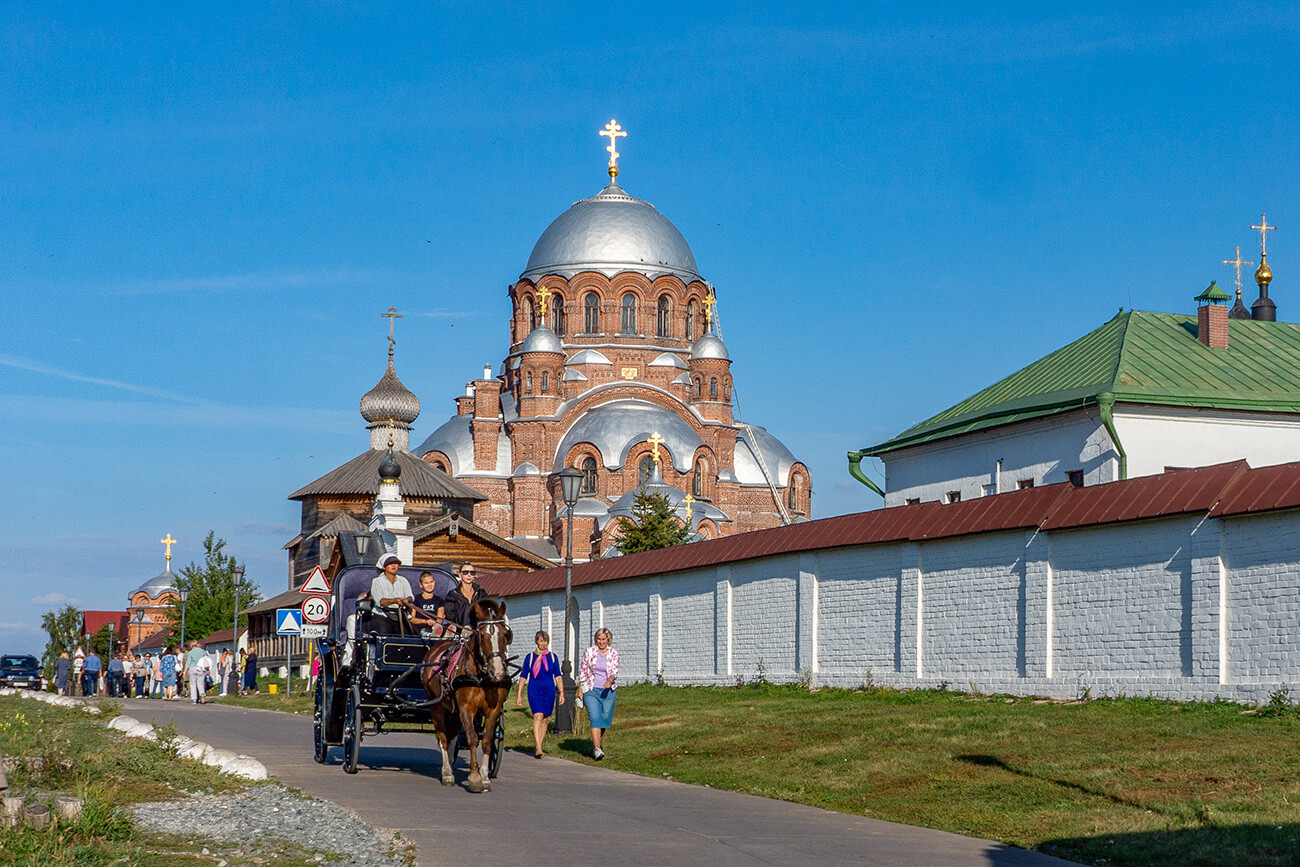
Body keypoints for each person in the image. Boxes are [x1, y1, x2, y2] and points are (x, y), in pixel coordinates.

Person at [515, 631, 563, 758]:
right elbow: (523, 676)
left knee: (545, 718)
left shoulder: (553, 657)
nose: (543, 643)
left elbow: (558, 676)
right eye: (541, 641)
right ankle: (538, 746)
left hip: (549, 690)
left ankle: (539, 745)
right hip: (535, 689)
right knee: (538, 716)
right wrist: (519, 694)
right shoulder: (530, 657)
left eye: (545, 641)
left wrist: (561, 693)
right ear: (537, 641)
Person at [577, 628, 619, 760]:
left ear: (608, 640)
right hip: (591, 689)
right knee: (595, 717)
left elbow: (614, 671)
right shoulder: (589, 652)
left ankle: (598, 745)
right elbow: (583, 670)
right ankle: (597, 749)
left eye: (603, 639)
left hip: (608, 691)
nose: (601, 642)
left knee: (605, 718)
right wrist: (580, 689)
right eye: (599, 639)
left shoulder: (613, 653)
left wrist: (609, 681)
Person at [369, 553, 414, 635]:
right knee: (384, 637)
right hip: (383, 616)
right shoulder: (377, 581)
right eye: (390, 564)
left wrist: (406, 600)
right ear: (383, 567)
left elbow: (411, 596)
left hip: (401, 615)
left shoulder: (403, 580)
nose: (393, 565)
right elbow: (380, 602)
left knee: (409, 638)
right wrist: (395, 601)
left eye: (396, 563)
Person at [438, 562, 486, 628]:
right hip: (459, 629)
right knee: (467, 608)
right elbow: (450, 615)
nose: (469, 575)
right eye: (466, 572)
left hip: (479, 629)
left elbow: (487, 611)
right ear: (460, 575)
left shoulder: (481, 593)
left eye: (472, 573)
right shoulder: (452, 594)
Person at [406, 571, 446, 636]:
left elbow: (440, 618)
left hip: (435, 627)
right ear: (421, 585)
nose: (429, 585)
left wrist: (435, 623)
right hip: (420, 627)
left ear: (434, 582)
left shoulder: (439, 600)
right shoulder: (415, 600)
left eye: (431, 582)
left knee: (445, 626)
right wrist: (425, 621)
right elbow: (412, 619)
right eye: (426, 583)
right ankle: (428, 634)